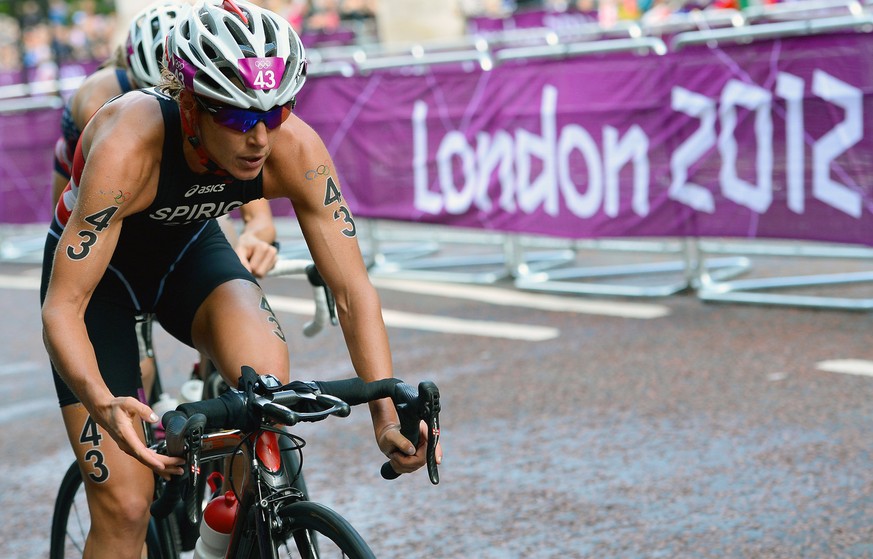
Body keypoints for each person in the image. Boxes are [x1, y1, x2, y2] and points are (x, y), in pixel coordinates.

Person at [40, 0, 438, 557]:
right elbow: (61, 310)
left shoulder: (292, 147)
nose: (260, 138)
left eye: (275, 113)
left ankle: (215, 540)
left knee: (267, 397)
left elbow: (351, 289)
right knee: (125, 505)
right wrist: (104, 403)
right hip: (102, 283)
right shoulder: (129, 146)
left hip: (189, 251)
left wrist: (384, 415)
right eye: (238, 116)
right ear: (189, 105)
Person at [50, 0, 280, 402]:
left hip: (174, 216)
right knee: (137, 367)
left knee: (219, 238)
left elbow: (256, 216)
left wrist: (255, 238)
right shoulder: (105, 102)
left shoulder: (237, 126)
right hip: (104, 205)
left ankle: (210, 372)